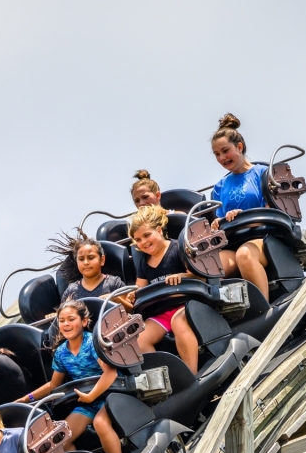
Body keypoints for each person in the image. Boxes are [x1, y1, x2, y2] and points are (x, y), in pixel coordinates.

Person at [19, 300, 124, 453]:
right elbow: (53, 383)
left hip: (112, 393)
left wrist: (92, 395)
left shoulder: (92, 343)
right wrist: (26, 398)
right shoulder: (61, 353)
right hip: (87, 403)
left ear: (84, 321)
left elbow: (110, 373)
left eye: (71, 319)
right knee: (60, 439)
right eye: (62, 320)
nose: (66, 324)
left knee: (101, 423)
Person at [129, 205, 199, 374]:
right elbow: (140, 291)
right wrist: (132, 294)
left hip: (185, 305)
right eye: (138, 240)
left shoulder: (177, 248)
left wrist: (181, 276)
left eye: (147, 235)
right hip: (161, 313)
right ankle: (163, 379)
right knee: (139, 339)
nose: (143, 242)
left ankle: (192, 374)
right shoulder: (143, 263)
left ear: (159, 230)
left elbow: (199, 276)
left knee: (178, 322)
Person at [209, 113, 270, 300]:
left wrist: (243, 217)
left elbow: (272, 209)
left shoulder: (263, 173)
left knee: (244, 254)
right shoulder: (219, 187)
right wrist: (217, 224)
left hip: (264, 238)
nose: (221, 158)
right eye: (217, 154)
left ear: (240, 147)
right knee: (209, 267)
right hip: (234, 241)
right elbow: (218, 220)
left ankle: (264, 311)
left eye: (225, 151)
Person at [47, 230, 131, 306]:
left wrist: (114, 298)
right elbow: (63, 315)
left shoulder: (114, 283)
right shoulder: (71, 290)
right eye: (81, 259)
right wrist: (55, 315)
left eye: (91, 258)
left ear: (102, 260)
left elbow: (131, 309)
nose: (86, 262)